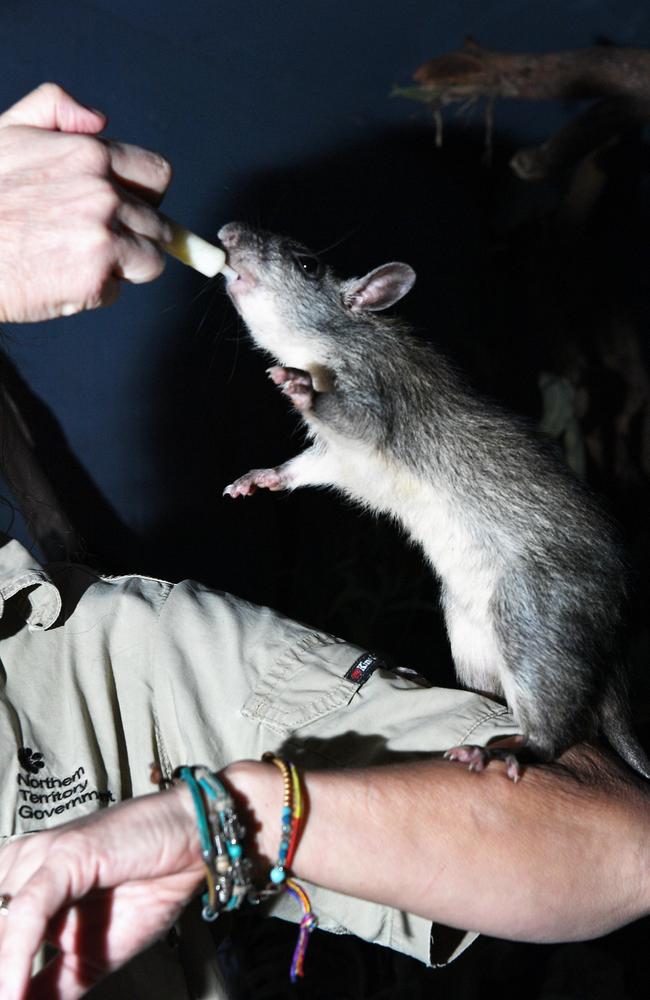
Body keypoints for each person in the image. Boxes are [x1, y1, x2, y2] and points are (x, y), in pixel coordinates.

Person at [0, 83, 648, 1000]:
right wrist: (297, 461)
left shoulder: (113, 650)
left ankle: (529, 737)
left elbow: (616, 842)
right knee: (483, 638)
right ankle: (526, 732)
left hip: (521, 558)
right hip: (486, 555)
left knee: (501, 649)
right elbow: (354, 455)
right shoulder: (335, 370)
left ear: (357, 301)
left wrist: (218, 816)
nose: (237, 246)